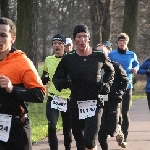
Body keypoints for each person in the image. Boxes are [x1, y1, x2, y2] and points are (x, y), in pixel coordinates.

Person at [52, 24, 115, 150]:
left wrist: (106, 84)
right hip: (75, 103)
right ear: (74, 39)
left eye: (85, 36)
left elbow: (111, 71)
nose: (82, 40)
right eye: (79, 37)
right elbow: (57, 78)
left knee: (89, 140)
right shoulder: (68, 59)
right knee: (80, 142)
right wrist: (65, 83)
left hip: (94, 102)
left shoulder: (99, 55)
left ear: (89, 39)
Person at [0, 17, 46, 150]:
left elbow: (40, 94)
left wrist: (12, 89)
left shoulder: (21, 61)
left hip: (16, 128)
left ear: (12, 38)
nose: (0, 39)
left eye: (3, 35)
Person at [41, 33, 72, 150]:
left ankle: (68, 147)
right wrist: (44, 78)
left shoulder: (70, 60)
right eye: (54, 43)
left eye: (59, 43)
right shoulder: (48, 59)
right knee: (52, 126)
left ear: (64, 45)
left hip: (67, 98)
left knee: (67, 127)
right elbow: (45, 73)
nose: (57, 46)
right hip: (53, 98)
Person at [108, 33, 139, 148]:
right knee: (117, 111)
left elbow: (137, 65)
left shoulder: (132, 54)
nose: (122, 43)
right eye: (120, 41)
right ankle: (116, 130)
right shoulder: (112, 54)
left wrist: (135, 69)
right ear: (117, 43)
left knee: (125, 112)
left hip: (128, 86)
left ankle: (124, 136)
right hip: (115, 86)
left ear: (127, 42)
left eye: (124, 41)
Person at [96, 44, 129, 150]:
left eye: (103, 52)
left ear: (107, 54)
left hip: (113, 101)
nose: (100, 54)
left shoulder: (115, 66)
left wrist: (120, 93)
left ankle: (118, 129)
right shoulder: (93, 67)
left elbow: (125, 81)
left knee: (111, 129)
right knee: (101, 132)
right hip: (99, 102)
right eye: (98, 52)